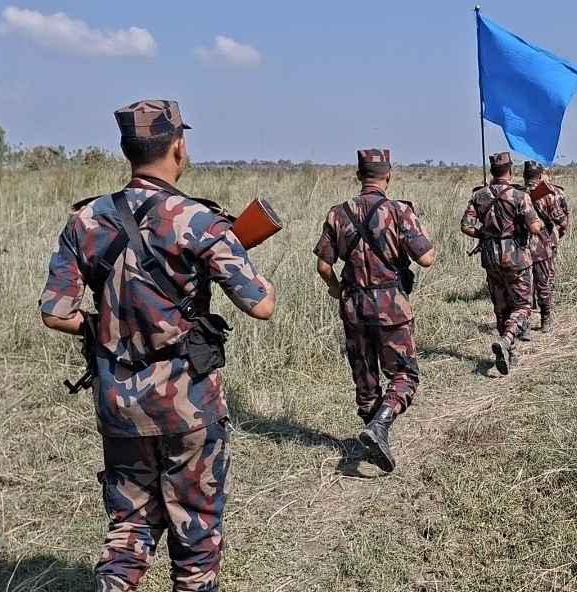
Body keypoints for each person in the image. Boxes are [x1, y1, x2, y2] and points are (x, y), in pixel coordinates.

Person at [39, 99, 276, 592]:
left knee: (128, 529)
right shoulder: (200, 221)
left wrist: (101, 326)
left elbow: (55, 312)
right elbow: (260, 306)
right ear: (178, 146)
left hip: (118, 403)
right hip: (187, 404)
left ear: (127, 149)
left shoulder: (84, 220)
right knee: (195, 535)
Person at [314, 148, 435, 473]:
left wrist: (338, 291)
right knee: (405, 376)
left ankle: (373, 435)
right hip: (391, 306)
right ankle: (380, 426)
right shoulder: (398, 211)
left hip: (353, 306)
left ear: (358, 175)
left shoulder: (338, 214)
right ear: (389, 175)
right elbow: (426, 258)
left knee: (365, 381)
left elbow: (324, 266)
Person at [461, 152, 543, 375]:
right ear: (510, 170)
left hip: (490, 258)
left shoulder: (479, 196)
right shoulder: (519, 196)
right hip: (516, 257)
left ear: (492, 171)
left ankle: (510, 354)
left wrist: (484, 235)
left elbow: (466, 226)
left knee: (500, 307)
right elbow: (535, 227)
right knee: (523, 306)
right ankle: (507, 341)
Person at [521, 161, 569, 335]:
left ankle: (523, 324)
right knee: (544, 283)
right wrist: (558, 233)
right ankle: (545, 320)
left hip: (519, 248)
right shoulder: (552, 193)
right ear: (540, 175)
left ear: (524, 175)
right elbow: (562, 221)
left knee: (523, 286)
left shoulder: (517, 193)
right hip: (543, 246)